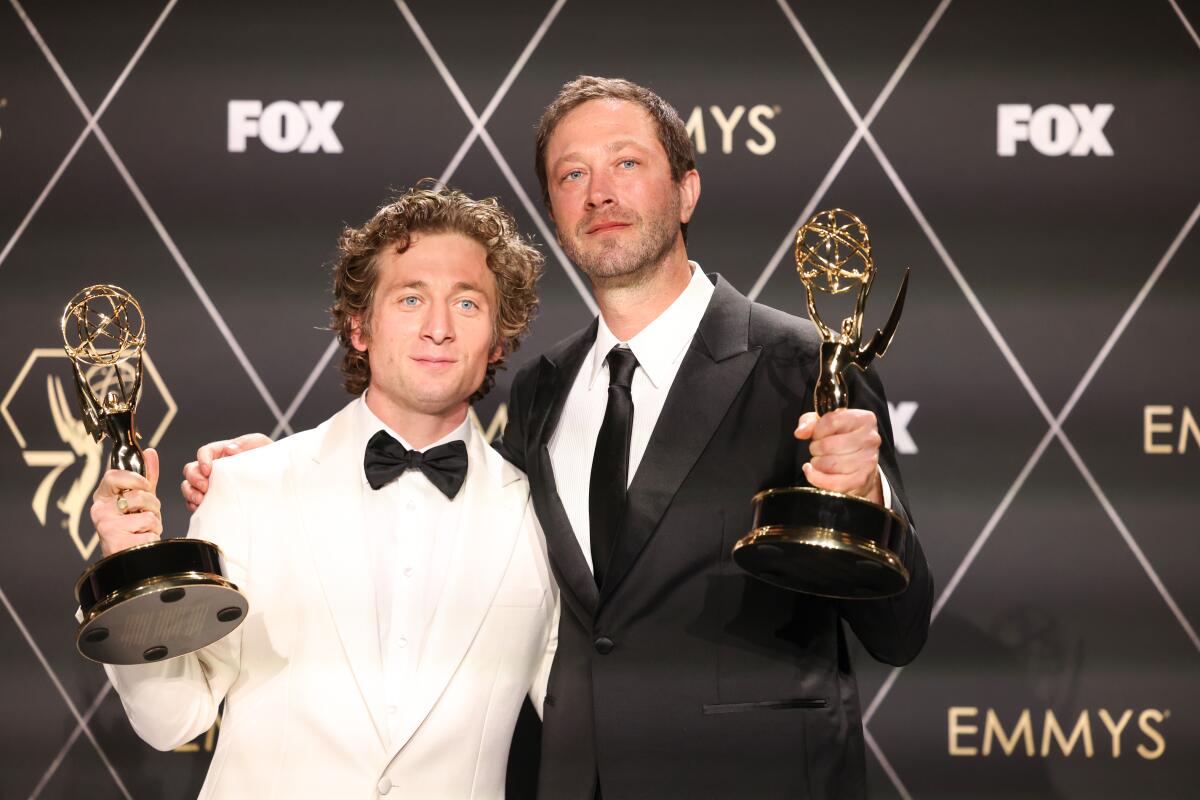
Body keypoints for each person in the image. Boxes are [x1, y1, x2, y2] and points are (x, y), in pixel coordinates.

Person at [185, 77, 934, 800]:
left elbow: (898, 632)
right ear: (554, 211)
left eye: (627, 163)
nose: (599, 191)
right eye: (572, 173)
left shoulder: (803, 363)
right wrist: (274, 472)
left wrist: (864, 499)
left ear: (687, 191)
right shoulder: (542, 387)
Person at [92, 184, 556, 799]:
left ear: (499, 338)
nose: (439, 328)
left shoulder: (544, 514)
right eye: (411, 298)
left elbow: (591, 722)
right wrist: (132, 574)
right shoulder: (248, 487)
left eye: (467, 304)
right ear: (359, 326)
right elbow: (172, 720)